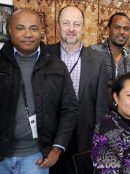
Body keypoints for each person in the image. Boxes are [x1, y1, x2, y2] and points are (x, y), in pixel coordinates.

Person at [0, 9, 78, 174]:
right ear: (10, 30)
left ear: (41, 32)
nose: (28, 34)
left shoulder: (57, 66)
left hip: (36, 158)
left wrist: (57, 148)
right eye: (21, 28)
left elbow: (70, 109)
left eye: (34, 28)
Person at [47, 6, 108, 174]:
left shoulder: (98, 60)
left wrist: (99, 142)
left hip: (83, 138)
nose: (71, 29)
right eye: (66, 23)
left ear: (83, 27)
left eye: (76, 24)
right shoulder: (45, 55)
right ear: (58, 26)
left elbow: (101, 106)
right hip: (51, 138)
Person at [91, 12, 130, 108]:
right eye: (117, 27)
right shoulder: (93, 53)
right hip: (96, 115)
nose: (122, 32)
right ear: (108, 29)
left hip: (123, 117)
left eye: (126, 29)